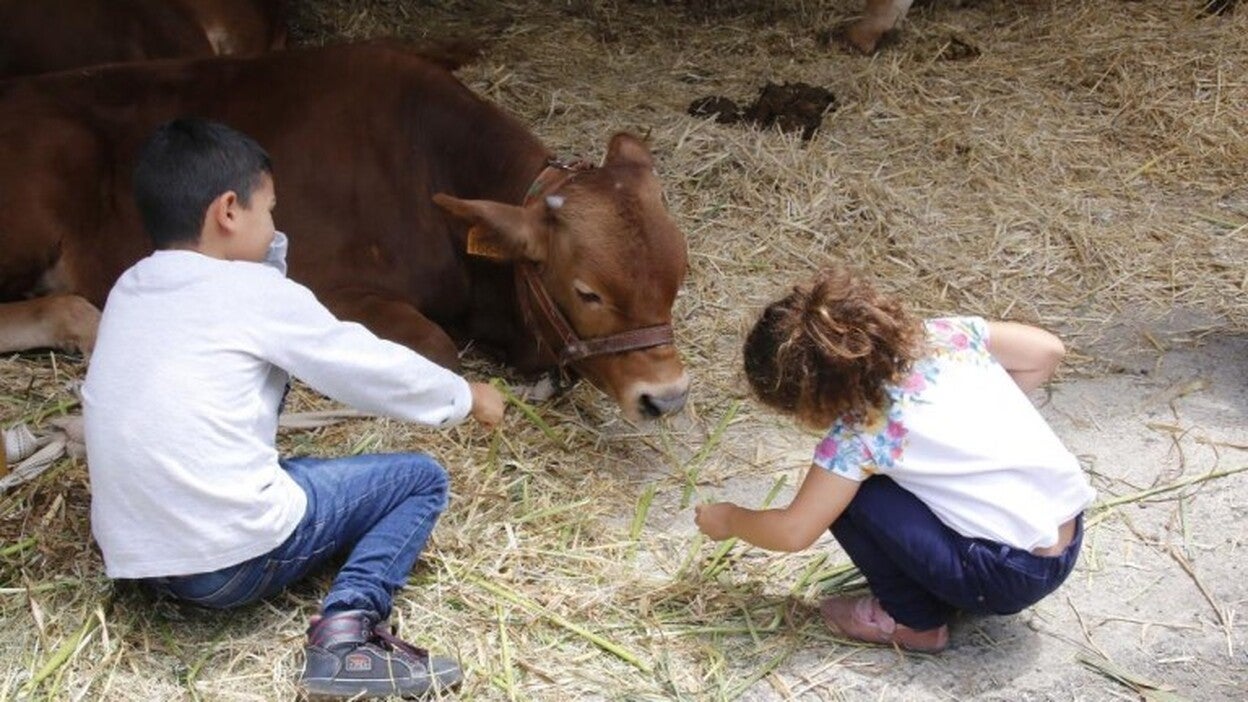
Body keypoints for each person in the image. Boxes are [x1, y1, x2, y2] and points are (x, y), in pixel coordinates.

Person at [82, 118, 505, 698]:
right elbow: (361, 364)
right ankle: (347, 634)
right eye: (270, 211)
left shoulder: (129, 288)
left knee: (294, 470)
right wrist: (464, 396)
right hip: (225, 564)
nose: (276, 227)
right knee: (419, 480)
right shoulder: (252, 294)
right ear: (229, 211)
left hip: (137, 557)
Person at [694, 264, 1095, 653]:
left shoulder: (858, 434)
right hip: (1069, 535)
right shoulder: (943, 337)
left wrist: (730, 519)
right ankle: (946, 577)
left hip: (1003, 579)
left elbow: (793, 531)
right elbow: (1048, 351)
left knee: (850, 496)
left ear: (810, 399)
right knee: (880, 479)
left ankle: (913, 622)